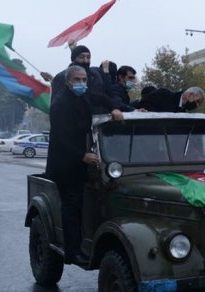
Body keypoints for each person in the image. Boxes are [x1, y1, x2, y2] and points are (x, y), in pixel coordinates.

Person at [45, 65, 123, 266]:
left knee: (84, 205)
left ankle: (86, 243)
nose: (82, 83)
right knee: (71, 208)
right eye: (77, 80)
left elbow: (103, 99)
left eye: (84, 80)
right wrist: (82, 155)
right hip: (65, 164)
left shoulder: (84, 96)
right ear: (69, 82)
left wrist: (116, 108)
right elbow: (60, 138)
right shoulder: (60, 104)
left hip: (81, 161)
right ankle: (73, 252)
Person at [138, 86, 205, 112]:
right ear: (189, 95)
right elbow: (144, 102)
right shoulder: (163, 94)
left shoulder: (182, 112)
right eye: (197, 101)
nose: (197, 105)